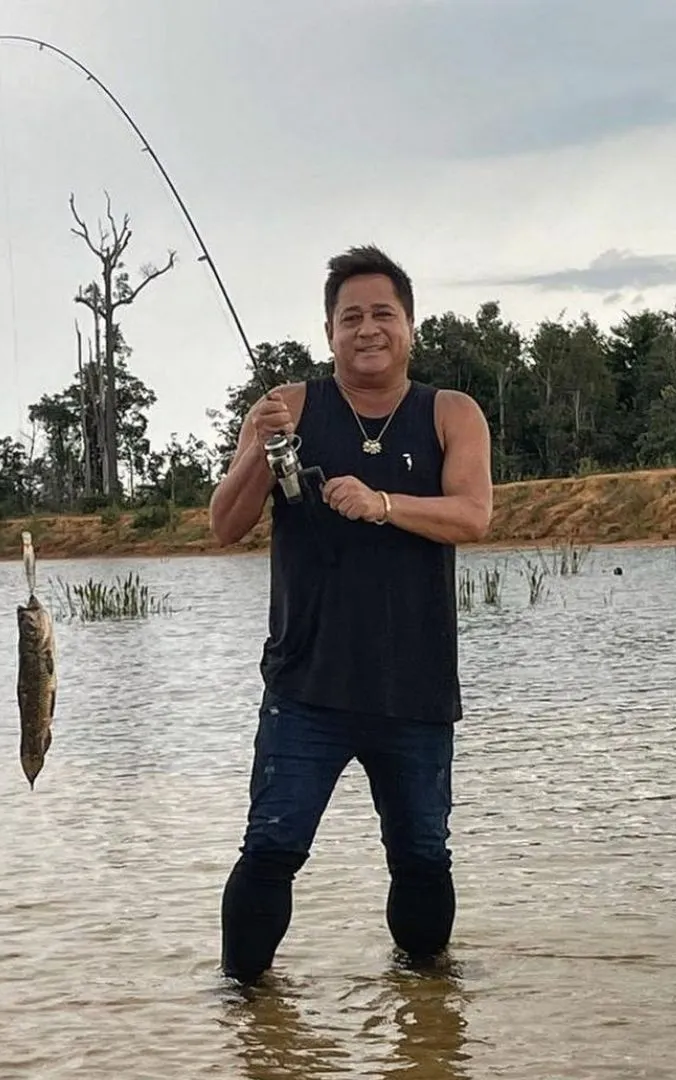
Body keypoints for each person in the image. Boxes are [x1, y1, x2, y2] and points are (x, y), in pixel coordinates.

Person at [205, 245, 493, 986]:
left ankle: (428, 1011)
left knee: (424, 855)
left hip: (416, 689)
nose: (368, 330)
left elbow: (473, 515)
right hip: (306, 686)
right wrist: (255, 453)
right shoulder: (289, 407)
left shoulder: (451, 414)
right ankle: (243, 1009)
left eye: (383, 315)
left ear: (410, 327)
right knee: (271, 847)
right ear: (329, 331)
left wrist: (383, 503)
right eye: (351, 317)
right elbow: (224, 527)